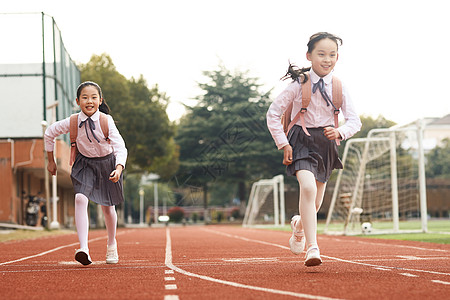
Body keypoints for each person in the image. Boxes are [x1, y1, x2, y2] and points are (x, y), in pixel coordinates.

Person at [266, 32, 361, 267]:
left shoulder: (339, 86)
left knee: (315, 203)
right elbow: (273, 114)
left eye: (332, 55)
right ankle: (313, 247)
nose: (327, 59)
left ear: (337, 58)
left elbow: (354, 121)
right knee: (307, 188)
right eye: (321, 54)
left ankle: (298, 226)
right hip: (301, 140)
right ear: (309, 56)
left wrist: (340, 132)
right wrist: (284, 142)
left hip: (326, 144)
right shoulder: (298, 84)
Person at [45, 81, 127, 266]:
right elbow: (49, 133)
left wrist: (119, 167)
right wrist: (51, 160)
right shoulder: (73, 121)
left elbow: (120, 146)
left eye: (93, 97)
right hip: (84, 164)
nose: (89, 101)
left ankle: (111, 244)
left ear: (100, 100)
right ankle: (83, 248)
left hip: (107, 164)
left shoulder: (106, 121)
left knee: (107, 208)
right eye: (84, 97)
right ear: (77, 101)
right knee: (80, 199)